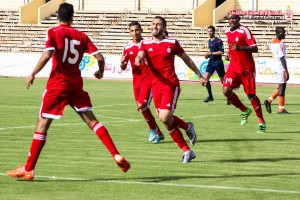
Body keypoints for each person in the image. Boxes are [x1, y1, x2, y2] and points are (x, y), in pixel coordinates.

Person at [6, 3, 130, 180]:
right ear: (73, 17)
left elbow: (48, 55)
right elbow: (100, 58)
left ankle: (29, 169)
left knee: (42, 125)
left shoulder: (53, 32)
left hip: (57, 85)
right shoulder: (81, 35)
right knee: (92, 121)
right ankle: (115, 154)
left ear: (57, 16)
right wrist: (100, 71)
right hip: (75, 85)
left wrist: (32, 73)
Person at [135, 16, 207, 163]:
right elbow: (141, 53)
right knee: (167, 122)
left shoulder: (172, 43)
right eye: (153, 24)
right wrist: (138, 58)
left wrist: (200, 75)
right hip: (155, 86)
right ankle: (187, 150)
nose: (154, 26)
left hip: (170, 85)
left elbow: (186, 59)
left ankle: (187, 127)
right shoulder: (145, 43)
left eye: (158, 24)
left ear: (164, 28)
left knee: (164, 118)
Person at [120, 21, 164, 143]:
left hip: (149, 81)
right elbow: (123, 67)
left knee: (142, 105)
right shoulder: (127, 47)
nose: (135, 33)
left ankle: (153, 130)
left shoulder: (148, 44)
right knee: (142, 108)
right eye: (132, 31)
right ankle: (157, 132)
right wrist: (122, 63)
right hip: (136, 82)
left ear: (141, 30)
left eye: (137, 30)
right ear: (129, 32)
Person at [223, 14, 266, 133]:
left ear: (239, 20)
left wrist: (240, 48)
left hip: (247, 68)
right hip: (233, 67)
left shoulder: (245, 30)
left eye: (234, 18)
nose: (231, 20)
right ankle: (244, 110)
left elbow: (255, 48)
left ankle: (261, 121)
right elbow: (231, 46)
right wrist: (229, 53)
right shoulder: (227, 32)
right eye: (230, 18)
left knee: (251, 95)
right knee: (226, 90)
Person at [264, 27, 290, 114]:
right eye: (283, 33)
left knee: (281, 87)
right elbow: (282, 57)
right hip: (280, 67)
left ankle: (269, 101)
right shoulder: (279, 44)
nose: (284, 34)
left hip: (276, 66)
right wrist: (286, 70)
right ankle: (281, 109)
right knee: (282, 88)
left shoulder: (273, 42)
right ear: (278, 33)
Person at [203, 25, 228, 104]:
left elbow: (221, 52)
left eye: (211, 31)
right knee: (206, 78)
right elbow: (211, 52)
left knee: (222, 80)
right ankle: (210, 96)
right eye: (208, 31)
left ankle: (229, 96)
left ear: (214, 32)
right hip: (211, 62)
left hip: (218, 62)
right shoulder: (209, 40)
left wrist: (211, 53)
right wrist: (208, 55)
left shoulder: (219, 41)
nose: (209, 32)